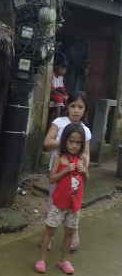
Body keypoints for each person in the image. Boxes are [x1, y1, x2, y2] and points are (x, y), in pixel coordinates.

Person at [35, 123, 87, 275]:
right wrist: (65, 171)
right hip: (59, 204)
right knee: (50, 231)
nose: (74, 145)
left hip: (74, 205)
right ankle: (42, 259)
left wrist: (84, 171)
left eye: (78, 143)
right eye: (71, 141)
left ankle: (64, 260)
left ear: (82, 144)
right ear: (65, 141)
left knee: (69, 233)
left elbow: (86, 178)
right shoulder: (59, 157)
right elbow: (52, 179)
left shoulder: (82, 158)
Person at [42, 93, 90, 252]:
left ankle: (73, 234)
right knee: (54, 202)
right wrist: (64, 142)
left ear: (85, 110)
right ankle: (48, 236)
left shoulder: (85, 130)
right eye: (73, 106)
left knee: (74, 204)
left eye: (80, 107)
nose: (76, 110)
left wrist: (84, 167)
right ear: (67, 107)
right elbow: (47, 142)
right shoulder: (59, 122)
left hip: (75, 174)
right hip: (58, 169)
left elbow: (86, 154)